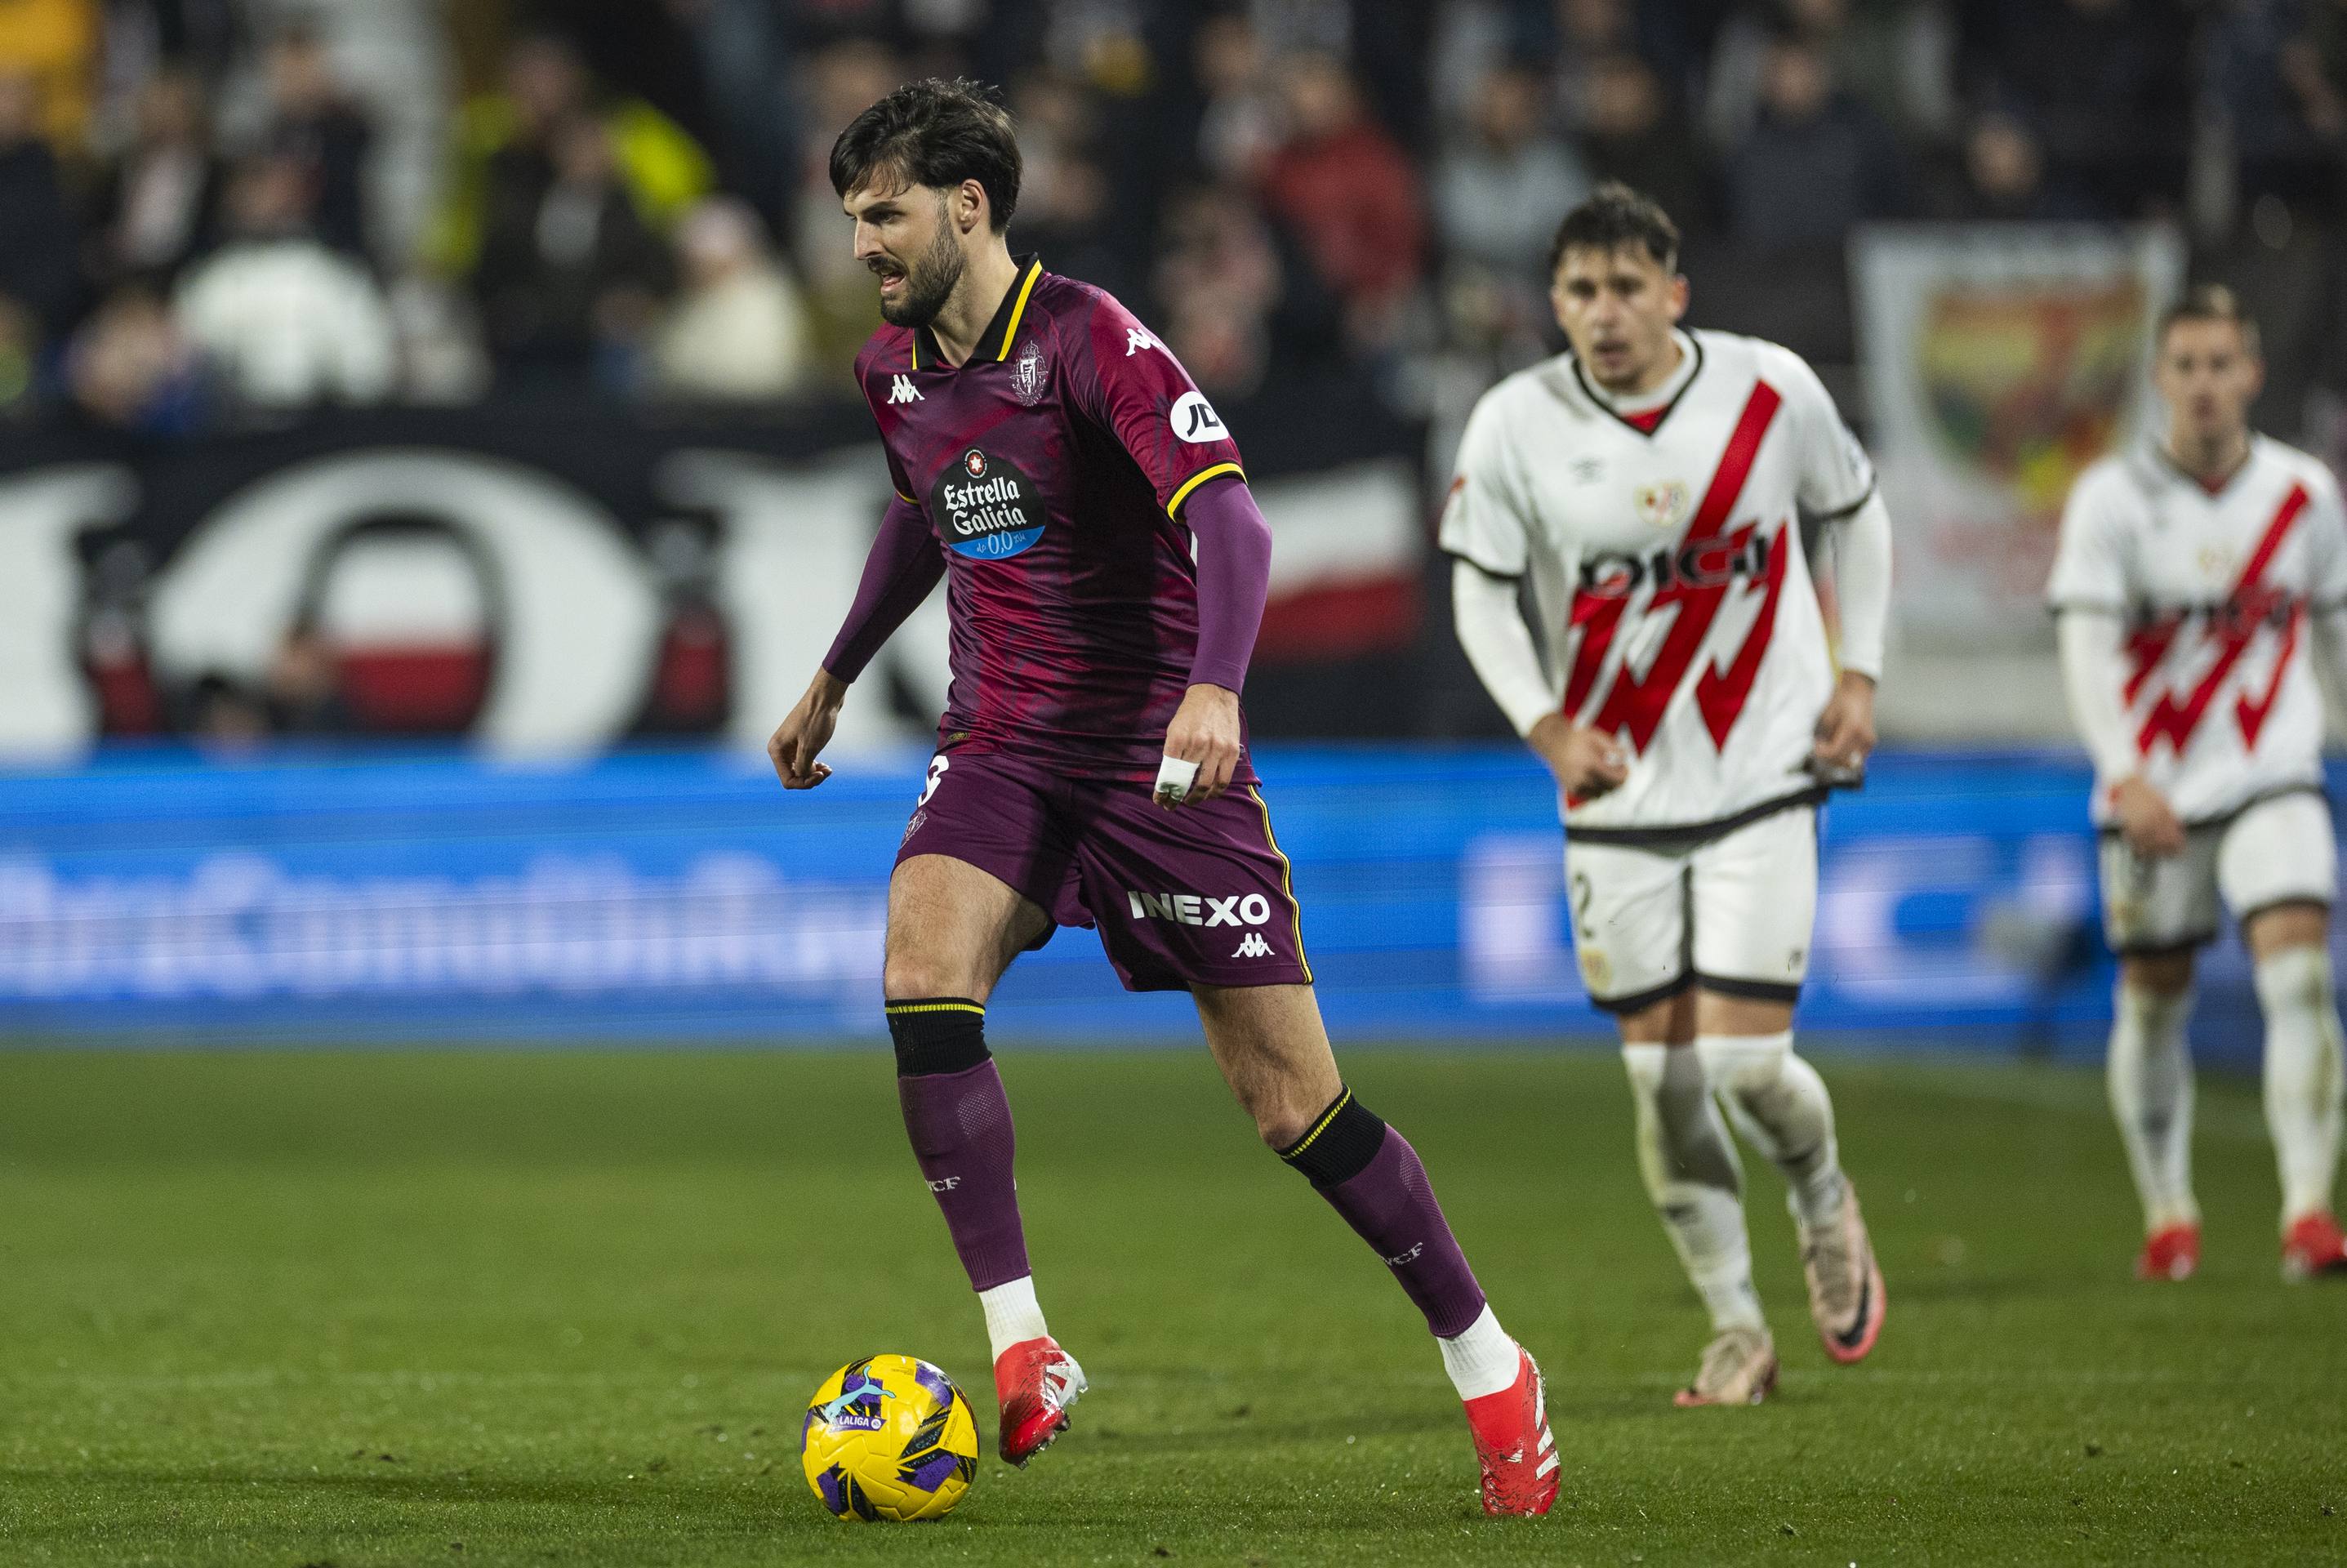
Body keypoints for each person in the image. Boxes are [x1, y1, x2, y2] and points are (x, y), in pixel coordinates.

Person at [766, 78, 1558, 1516]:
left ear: (966, 205)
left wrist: (1216, 686)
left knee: (1290, 1105)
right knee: (920, 971)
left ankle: (1491, 1362)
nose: (863, 243)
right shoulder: (891, 371)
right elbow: (920, 515)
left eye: (883, 214)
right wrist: (832, 671)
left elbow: (1229, 519)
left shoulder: (1088, 339)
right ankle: (1023, 1346)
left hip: (1153, 754)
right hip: (999, 740)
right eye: (850, 218)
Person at [1445, 183, 1892, 1407]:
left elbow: (1854, 514)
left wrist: (1858, 673)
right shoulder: (1512, 424)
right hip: (1616, 790)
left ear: (1673, 293)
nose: (1604, 313)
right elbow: (1480, 588)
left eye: (1627, 287)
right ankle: (1737, 1330)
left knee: (1748, 1068)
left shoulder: (1767, 389)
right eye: (1581, 291)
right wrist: (1544, 724)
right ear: (1554, 302)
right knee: (1660, 1081)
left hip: (1762, 769)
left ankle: (1819, 1194)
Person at [2049, 285, 2347, 1284]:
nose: (2206, 385)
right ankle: (2169, 1212)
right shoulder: (2111, 499)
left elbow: (2336, 635)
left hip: (2274, 776)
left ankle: (2308, 1211)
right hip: (2156, 794)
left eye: (2223, 364)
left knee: (2300, 975)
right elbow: (2087, 651)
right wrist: (2126, 772)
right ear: (2160, 377)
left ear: (2253, 373)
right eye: (2187, 366)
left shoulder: (2305, 494)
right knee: (2154, 1001)